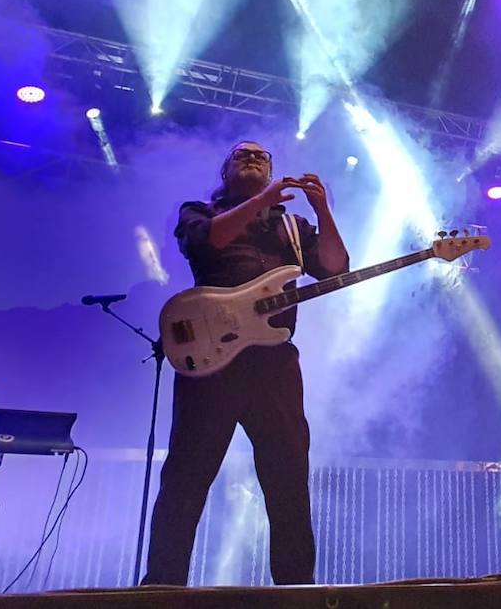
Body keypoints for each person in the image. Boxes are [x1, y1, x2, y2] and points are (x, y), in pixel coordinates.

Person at [143, 141, 349, 586]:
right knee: (186, 475)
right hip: (211, 363)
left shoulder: (292, 227)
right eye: (243, 155)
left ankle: (296, 588)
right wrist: (261, 200)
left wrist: (322, 210)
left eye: (262, 157)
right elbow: (207, 242)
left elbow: (335, 269)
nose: (253, 158)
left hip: (274, 364)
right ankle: (161, 585)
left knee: (288, 476)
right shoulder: (200, 211)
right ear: (226, 171)